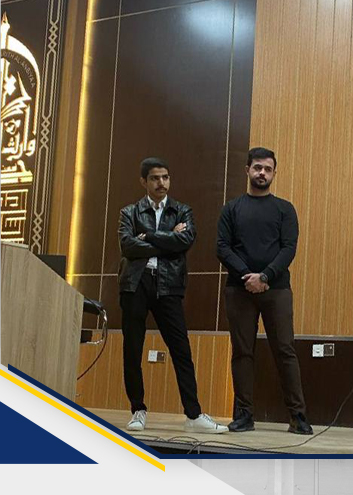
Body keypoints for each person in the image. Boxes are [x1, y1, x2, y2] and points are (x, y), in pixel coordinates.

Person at [118, 157, 228, 433]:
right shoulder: (129, 212)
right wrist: (168, 237)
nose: (161, 183)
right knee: (132, 349)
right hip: (135, 284)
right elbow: (127, 246)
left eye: (165, 177)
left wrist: (147, 236)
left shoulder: (182, 211)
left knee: (181, 350)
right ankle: (138, 410)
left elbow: (185, 241)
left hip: (168, 285)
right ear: (143, 181)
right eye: (155, 178)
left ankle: (193, 414)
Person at [217, 147, 313, 435]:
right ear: (247, 169)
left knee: (285, 351)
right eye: (257, 167)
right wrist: (247, 276)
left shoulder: (285, 209)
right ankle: (244, 416)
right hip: (239, 289)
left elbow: (289, 248)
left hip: (277, 289)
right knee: (242, 353)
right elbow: (222, 247)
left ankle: (298, 417)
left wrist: (265, 276)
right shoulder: (231, 209)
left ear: (274, 173)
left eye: (268, 169)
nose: (262, 173)